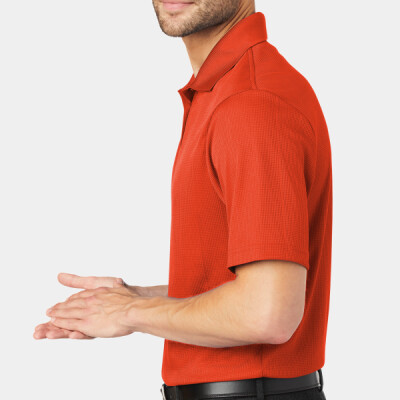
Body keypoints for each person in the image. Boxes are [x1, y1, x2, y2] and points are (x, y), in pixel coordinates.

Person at [34, 1, 332, 399]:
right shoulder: (227, 88)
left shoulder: (251, 102)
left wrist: (128, 312)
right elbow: (241, 288)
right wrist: (134, 297)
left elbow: (267, 312)